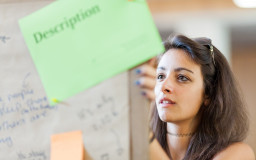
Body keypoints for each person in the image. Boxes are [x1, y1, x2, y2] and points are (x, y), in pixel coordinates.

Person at [136, 34, 255, 160]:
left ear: (208, 93)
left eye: (182, 77)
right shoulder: (136, 148)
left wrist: (145, 135)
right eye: (160, 76)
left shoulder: (238, 154)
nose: (164, 86)